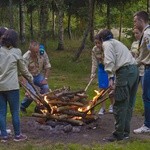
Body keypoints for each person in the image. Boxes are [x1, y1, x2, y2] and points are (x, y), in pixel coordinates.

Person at [97, 29, 139, 142]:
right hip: (134, 70)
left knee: (119, 102)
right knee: (128, 102)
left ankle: (118, 134)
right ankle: (125, 133)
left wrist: (111, 77)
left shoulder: (107, 44)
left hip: (125, 71)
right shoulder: (117, 43)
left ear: (101, 39)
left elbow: (109, 61)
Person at [0, 29, 33, 142]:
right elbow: (23, 69)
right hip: (12, 87)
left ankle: (3, 135)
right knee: (15, 112)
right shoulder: (17, 52)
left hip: (0, 87)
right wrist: (30, 78)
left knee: (1, 112)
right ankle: (17, 135)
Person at [20, 40, 51, 113]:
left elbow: (47, 66)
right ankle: (23, 106)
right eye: (35, 52)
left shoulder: (42, 52)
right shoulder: (25, 58)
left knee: (46, 88)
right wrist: (27, 89)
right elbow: (23, 74)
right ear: (30, 50)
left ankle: (40, 107)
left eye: (37, 51)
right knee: (31, 94)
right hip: (28, 77)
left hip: (37, 75)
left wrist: (45, 78)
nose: (37, 53)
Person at [133, 11, 150, 134]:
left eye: (135, 21)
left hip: (149, 68)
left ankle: (147, 125)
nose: (134, 23)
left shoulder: (147, 34)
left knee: (147, 97)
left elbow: (146, 54)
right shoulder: (146, 33)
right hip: (146, 66)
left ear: (141, 21)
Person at [90, 35, 114, 115]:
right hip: (101, 69)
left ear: (102, 42)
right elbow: (94, 62)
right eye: (95, 43)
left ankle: (112, 105)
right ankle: (103, 108)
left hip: (109, 68)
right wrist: (93, 73)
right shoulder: (94, 49)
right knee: (102, 89)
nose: (97, 45)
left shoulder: (107, 48)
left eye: (99, 43)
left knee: (110, 88)